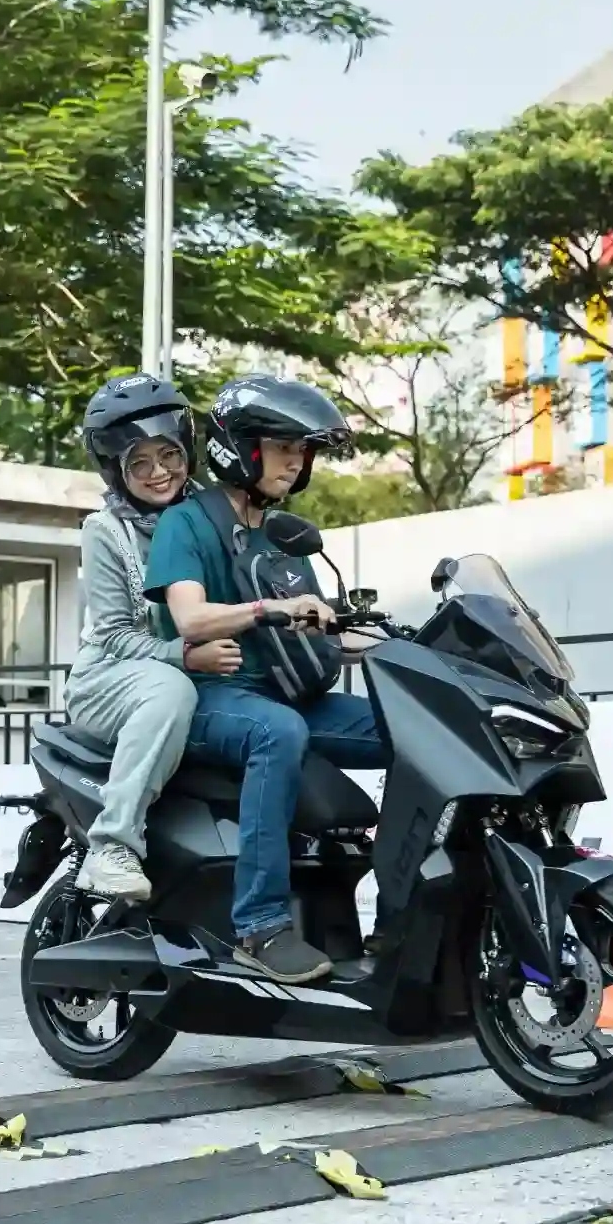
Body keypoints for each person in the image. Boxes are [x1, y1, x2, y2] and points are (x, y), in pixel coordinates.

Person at [143, 375, 385, 984]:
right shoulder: (186, 524)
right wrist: (266, 611)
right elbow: (190, 618)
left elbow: (321, 628)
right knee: (275, 732)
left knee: (410, 727)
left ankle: (404, 913)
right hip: (210, 697)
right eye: (283, 447)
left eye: (302, 450)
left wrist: (414, 645)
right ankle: (261, 927)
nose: (295, 461)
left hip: (289, 694)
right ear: (241, 446)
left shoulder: (285, 538)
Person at [65, 374, 238, 901]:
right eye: (139, 463)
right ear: (117, 471)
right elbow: (115, 634)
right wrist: (185, 655)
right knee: (170, 689)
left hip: (195, 668)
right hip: (111, 681)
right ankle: (112, 846)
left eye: (168, 455)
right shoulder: (105, 531)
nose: (159, 472)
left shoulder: (214, 513)